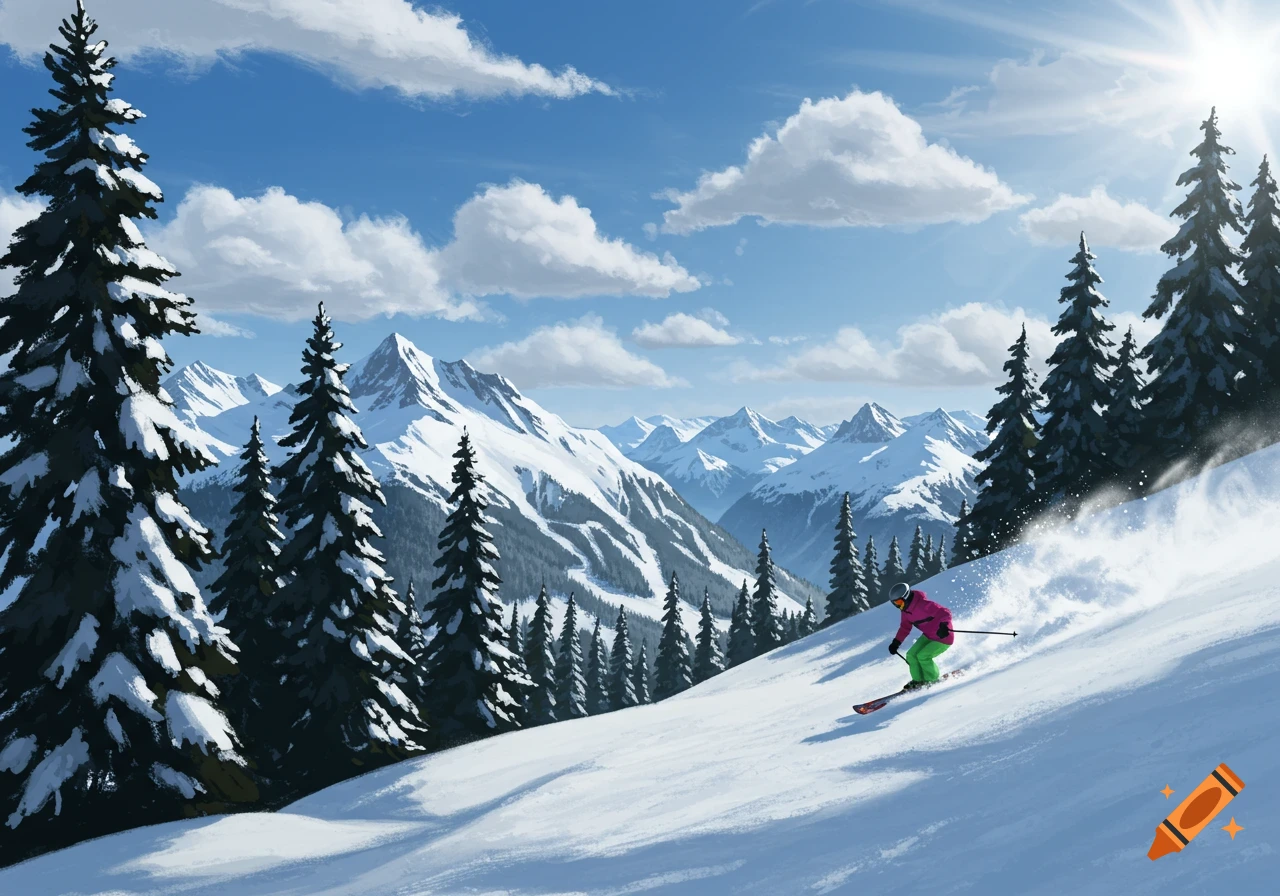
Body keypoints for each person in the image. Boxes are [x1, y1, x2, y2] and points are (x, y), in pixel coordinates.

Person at [886, 582, 953, 690]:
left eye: (899, 602)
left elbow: (945, 612)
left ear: (906, 597)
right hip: (928, 635)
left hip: (943, 636)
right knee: (911, 655)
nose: (898, 606)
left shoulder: (923, 604)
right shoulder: (906, 611)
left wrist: (944, 626)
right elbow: (905, 628)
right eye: (895, 604)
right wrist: (896, 642)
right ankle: (918, 680)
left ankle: (932, 680)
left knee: (923, 656)